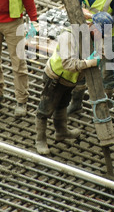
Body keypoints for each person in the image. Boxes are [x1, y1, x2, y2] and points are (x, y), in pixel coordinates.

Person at [35, 21, 103, 155]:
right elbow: (67, 63)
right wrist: (88, 63)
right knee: (45, 110)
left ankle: (61, 132)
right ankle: (40, 140)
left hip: (69, 81)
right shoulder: (69, 36)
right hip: (56, 78)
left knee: (62, 106)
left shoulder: (90, 38)